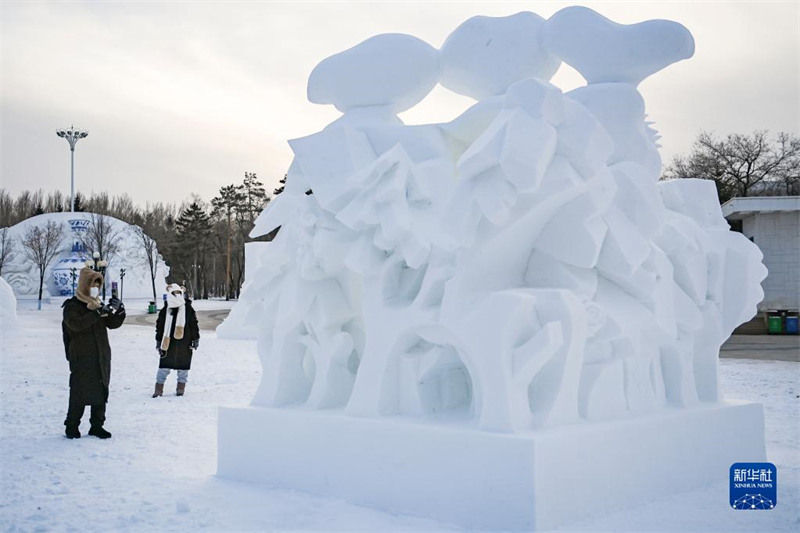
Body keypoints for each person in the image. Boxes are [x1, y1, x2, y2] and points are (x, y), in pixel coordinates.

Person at [62, 267, 126, 439]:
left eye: (98, 285)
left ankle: (97, 425)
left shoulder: (98, 304)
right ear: (84, 285)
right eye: (92, 285)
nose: (95, 289)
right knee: (79, 392)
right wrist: (96, 313)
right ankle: (72, 426)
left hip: (101, 356)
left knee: (100, 391)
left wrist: (119, 313)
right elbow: (76, 324)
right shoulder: (72, 306)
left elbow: (111, 323)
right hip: (81, 358)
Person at [153, 284, 199, 397]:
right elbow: (160, 326)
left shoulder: (187, 308)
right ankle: (158, 389)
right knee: (163, 367)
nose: (177, 295)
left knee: (183, 368)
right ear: (171, 294)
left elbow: (193, 324)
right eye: (175, 293)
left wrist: (196, 338)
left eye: (179, 293)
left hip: (185, 343)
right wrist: (158, 341)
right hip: (168, 343)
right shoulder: (166, 308)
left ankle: (180, 389)